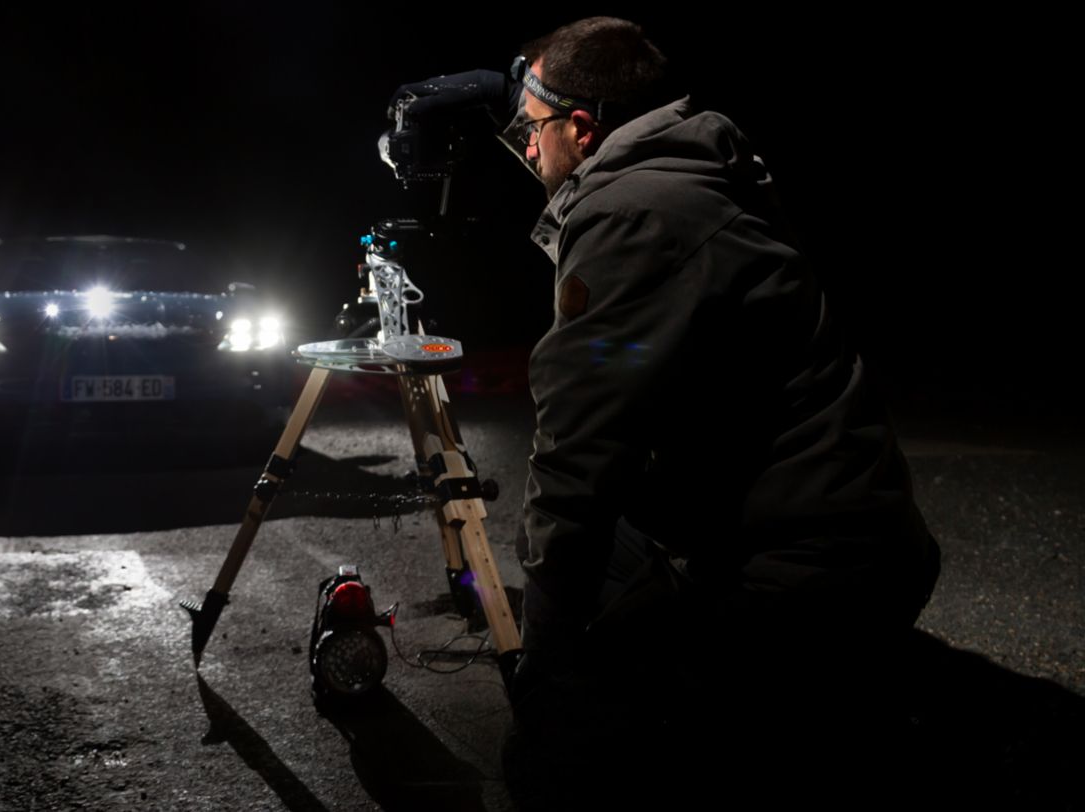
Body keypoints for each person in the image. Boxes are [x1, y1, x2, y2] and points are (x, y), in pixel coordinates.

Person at [389, 17, 940, 804]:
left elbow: (578, 450)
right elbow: (575, 161)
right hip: (870, 541)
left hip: (804, 585)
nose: (526, 144)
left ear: (583, 126)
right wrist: (511, 99)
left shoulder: (629, 218)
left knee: (560, 737)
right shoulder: (698, 167)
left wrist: (546, 672)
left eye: (532, 128)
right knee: (618, 538)